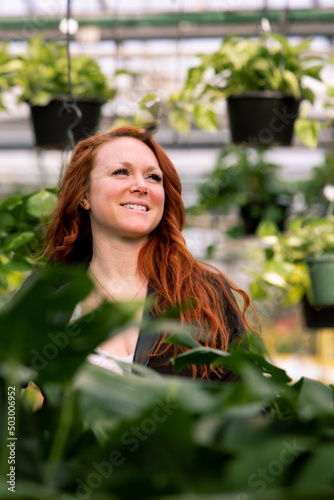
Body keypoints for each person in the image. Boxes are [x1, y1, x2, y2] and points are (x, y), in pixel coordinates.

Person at [39, 126, 255, 380]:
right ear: (84, 195)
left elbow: (250, 404)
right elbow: (8, 387)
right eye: (121, 172)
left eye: (153, 177)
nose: (141, 186)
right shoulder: (47, 297)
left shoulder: (205, 295)